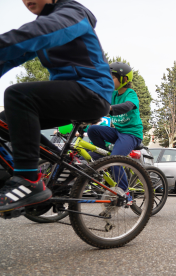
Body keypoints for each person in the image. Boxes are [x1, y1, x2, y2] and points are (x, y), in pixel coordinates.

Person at [0, 0, 112, 212]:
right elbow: (12, 57)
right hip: (69, 94)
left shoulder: (73, 13)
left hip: (92, 91)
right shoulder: (45, 22)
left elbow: (36, 34)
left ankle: (28, 180)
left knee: (17, 95)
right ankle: (61, 168)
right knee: (4, 122)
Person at [87, 62, 143, 203]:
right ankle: (103, 154)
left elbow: (128, 106)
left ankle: (126, 194)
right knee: (93, 130)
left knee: (115, 160)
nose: (109, 80)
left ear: (124, 79)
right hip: (117, 131)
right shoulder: (112, 94)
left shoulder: (130, 94)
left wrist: (110, 109)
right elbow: (99, 104)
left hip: (131, 134)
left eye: (112, 78)